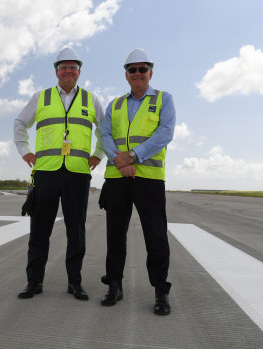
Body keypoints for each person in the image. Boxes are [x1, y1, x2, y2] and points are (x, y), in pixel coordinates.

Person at [13, 47, 104, 301]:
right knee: (39, 230)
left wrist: (98, 153)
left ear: (79, 72)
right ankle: (34, 281)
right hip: (46, 172)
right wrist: (25, 151)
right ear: (56, 71)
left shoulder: (90, 99)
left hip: (77, 174)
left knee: (76, 231)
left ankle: (75, 282)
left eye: (73, 67)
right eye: (63, 67)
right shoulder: (40, 97)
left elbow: (105, 130)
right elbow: (20, 123)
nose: (68, 70)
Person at [98, 49, 175, 315]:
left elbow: (165, 133)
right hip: (117, 179)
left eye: (143, 69)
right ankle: (114, 285)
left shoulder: (164, 99)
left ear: (150, 73)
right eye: (132, 70)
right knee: (115, 235)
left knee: (155, 236)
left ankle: (160, 292)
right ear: (126, 75)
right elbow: (105, 135)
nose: (138, 74)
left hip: (149, 179)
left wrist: (132, 156)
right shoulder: (115, 105)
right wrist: (121, 163)